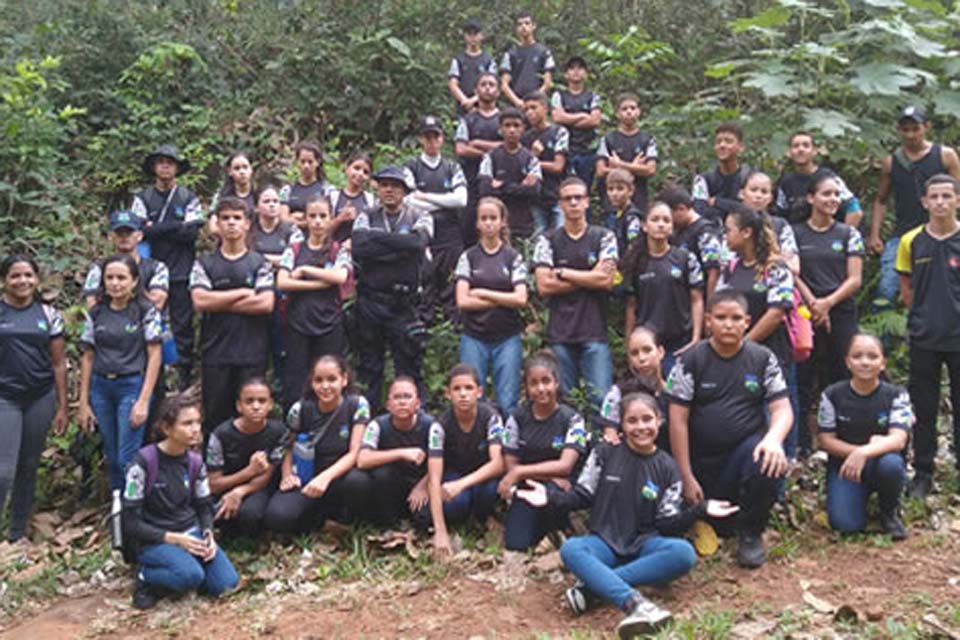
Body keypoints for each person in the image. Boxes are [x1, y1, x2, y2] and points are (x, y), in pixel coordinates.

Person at [516, 392, 738, 637]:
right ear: (621, 424)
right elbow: (582, 495)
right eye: (632, 421)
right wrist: (551, 498)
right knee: (572, 549)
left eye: (647, 419)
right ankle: (635, 604)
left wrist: (701, 510)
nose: (641, 427)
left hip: (644, 545)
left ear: (659, 420)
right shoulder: (604, 453)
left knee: (683, 553)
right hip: (604, 543)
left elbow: (667, 523)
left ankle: (592, 589)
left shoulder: (668, 467)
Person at [666, 290, 793, 568]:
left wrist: (773, 439)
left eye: (736, 318)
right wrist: (685, 475)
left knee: (768, 457)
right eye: (721, 317)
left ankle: (751, 533)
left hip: (743, 456)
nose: (728, 324)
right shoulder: (691, 360)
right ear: (708, 321)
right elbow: (677, 419)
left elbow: (782, 409)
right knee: (713, 522)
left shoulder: (762, 358)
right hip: (700, 462)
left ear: (747, 321)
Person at [121, 392, 238, 610]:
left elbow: (204, 505)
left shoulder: (195, 462)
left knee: (226, 584)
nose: (195, 429)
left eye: (197, 422)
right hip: (154, 539)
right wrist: (174, 539)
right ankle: (145, 577)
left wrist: (208, 534)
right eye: (187, 424)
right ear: (167, 428)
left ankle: (184, 570)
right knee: (190, 576)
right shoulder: (143, 463)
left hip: (190, 531)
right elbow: (130, 523)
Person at [896, 173, 960, 498]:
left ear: (957, 200)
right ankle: (922, 472)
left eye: (947, 196)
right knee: (924, 409)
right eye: (934, 197)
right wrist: (922, 318)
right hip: (924, 338)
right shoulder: (911, 241)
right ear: (924, 202)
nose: (940, 202)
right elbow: (906, 287)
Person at [190, 197, 275, 437]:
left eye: (237, 218)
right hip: (216, 353)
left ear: (247, 223)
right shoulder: (204, 263)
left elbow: (265, 303)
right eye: (225, 218)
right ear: (217, 224)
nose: (231, 223)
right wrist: (242, 293)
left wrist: (219, 300)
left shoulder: (260, 263)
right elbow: (200, 301)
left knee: (252, 418)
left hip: (252, 354)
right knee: (215, 419)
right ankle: (214, 462)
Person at [78, 255, 163, 490]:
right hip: (101, 387)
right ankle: (118, 502)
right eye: (110, 278)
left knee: (128, 454)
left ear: (134, 281)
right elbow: (88, 356)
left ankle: (133, 505)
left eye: (121, 278)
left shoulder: (145, 311)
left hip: (131, 385)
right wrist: (83, 402)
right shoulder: (96, 313)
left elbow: (155, 354)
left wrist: (144, 400)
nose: (115, 283)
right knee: (112, 452)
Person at [793, 175, 864, 456]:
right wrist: (814, 304)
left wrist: (827, 303)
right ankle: (801, 443)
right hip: (804, 312)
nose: (833, 199)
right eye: (826, 194)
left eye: (836, 195)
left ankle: (841, 441)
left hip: (841, 311)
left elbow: (855, 279)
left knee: (841, 373)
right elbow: (791, 273)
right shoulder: (795, 233)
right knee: (803, 376)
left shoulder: (848, 234)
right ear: (811, 198)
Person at [351, 166, 433, 408]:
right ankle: (367, 419)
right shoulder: (366, 215)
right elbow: (359, 246)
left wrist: (377, 241)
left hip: (405, 305)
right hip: (371, 302)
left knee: (409, 367)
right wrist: (401, 247)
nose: (389, 190)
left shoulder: (419, 215)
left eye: (395, 186)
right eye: (384, 185)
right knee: (369, 367)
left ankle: (413, 420)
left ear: (405, 191)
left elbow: (418, 243)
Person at [533, 177, 617, 412]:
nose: (573, 203)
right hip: (560, 333)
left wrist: (563, 273)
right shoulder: (547, 240)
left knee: (601, 401)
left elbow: (606, 281)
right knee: (566, 404)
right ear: (560, 204)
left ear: (587, 202)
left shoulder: (604, 236)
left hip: (595, 331)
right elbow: (544, 286)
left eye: (578, 198)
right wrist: (590, 277)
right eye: (567, 198)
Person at [0, 255, 68, 542]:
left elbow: (58, 363)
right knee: (4, 470)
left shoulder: (49, 315)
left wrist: (63, 407)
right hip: (5, 397)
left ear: (37, 279)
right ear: (4, 280)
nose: (22, 281)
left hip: (40, 397)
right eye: (15, 275)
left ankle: (16, 535)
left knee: (28, 466)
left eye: (28, 275)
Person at [817, 334, 912, 539]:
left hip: (882, 462)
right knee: (846, 525)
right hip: (845, 465)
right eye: (857, 356)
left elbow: (898, 439)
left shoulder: (897, 394)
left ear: (883, 363)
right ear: (847, 362)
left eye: (872, 356)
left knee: (891, 465)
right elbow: (825, 440)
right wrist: (856, 454)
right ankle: (858, 495)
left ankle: (889, 511)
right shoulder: (832, 395)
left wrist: (864, 453)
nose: (865, 362)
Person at [264, 355, 372, 533]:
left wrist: (325, 477)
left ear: (344, 379)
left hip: (340, 475)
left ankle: (344, 520)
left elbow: (355, 452)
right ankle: (316, 517)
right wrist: (287, 475)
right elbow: (287, 446)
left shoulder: (357, 405)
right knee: (278, 517)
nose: (325, 386)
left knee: (358, 481)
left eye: (332, 379)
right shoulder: (300, 409)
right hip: (307, 474)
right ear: (312, 383)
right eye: (319, 380)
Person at [870, 105, 960, 307]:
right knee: (887, 288)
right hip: (903, 234)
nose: (911, 135)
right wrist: (875, 235)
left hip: (944, 233)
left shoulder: (945, 155)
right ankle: (885, 328)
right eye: (905, 129)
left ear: (926, 127)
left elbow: (958, 192)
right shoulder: (891, 162)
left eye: (915, 128)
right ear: (899, 130)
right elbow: (881, 199)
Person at [499, 351, 589, 552]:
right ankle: (537, 528)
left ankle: (562, 528)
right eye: (534, 383)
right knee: (516, 543)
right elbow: (510, 466)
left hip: (559, 487)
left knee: (555, 494)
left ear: (556, 383)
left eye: (546, 381)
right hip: (527, 486)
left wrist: (521, 471)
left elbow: (565, 466)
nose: (541, 388)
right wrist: (535, 474)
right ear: (526, 387)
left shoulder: (572, 419)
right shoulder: (516, 418)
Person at [131, 144, 203, 388]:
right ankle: (153, 377)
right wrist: (176, 226)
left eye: (170, 162)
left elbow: (192, 233)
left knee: (182, 325)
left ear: (177, 168)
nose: (165, 166)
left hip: (181, 270)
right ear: (154, 167)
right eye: (160, 162)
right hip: (149, 272)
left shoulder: (188, 197)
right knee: (150, 321)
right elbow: (139, 231)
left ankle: (184, 376)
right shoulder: (142, 198)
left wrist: (157, 228)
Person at [419, 364, 505, 557]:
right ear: (448, 394)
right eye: (457, 389)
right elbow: (434, 477)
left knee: (490, 492)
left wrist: (462, 484)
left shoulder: (491, 417)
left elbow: (498, 463)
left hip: (483, 474)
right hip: (455, 473)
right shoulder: (439, 426)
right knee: (454, 505)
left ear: (479, 392)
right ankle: (463, 519)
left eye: (469, 388)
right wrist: (440, 531)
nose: (463, 394)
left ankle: (485, 518)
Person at [455, 197, 528, 415]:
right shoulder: (468, 257)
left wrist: (483, 292)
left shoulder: (513, 257)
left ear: (502, 222)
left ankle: (507, 437)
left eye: (493, 218)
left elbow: (521, 299)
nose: (488, 223)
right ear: (477, 223)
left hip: (507, 337)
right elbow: (463, 301)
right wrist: (504, 298)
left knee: (508, 401)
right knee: (473, 400)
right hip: (473, 336)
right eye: (484, 218)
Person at [277, 196, 351, 409]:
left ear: (330, 218)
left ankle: (330, 421)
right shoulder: (294, 249)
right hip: (297, 322)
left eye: (323, 216)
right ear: (306, 219)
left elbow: (340, 277)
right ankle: (294, 422)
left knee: (330, 375)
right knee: (295, 379)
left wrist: (305, 270)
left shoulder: (338, 250)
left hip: (329, 323)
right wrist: (319, 284)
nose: (318, 221)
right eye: (313, 216)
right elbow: (282, 282)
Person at [622, 202, 703, 377]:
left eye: (666, 220)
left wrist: (696, 337)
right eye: (655, 219)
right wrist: (630, 345)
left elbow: (696, 299)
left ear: (672, 227)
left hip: (680, 342)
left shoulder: (685, 258)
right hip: (647, 344)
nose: (661, 224)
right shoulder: (635, 262)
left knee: (677, 389)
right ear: (644, 226)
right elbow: (631, 306)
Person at [405, 116, 468, 322]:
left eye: (436, 136)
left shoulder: (452, 167)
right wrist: (445, 201)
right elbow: (408, 202)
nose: (432, 141)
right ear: (421, 139)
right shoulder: (411, 166)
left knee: (451, 283)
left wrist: (425, 196)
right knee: (425, 282)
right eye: (427, 137)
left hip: (451, 234)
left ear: (442, 138)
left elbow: (461, 200)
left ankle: (452, 328)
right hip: (423, 234)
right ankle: (424, 327)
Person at [718, 204, 794, 374]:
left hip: (770, 356)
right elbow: (718, 303)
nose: (724, 236)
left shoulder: (776, 268)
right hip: (731, 354)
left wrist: (744, 345)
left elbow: (776, 313)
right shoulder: (731, 267)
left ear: (746, 232)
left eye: (728, 230)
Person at [207, 378, 285, 538]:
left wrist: (239, 492)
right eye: (249, 401)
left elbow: (265, 477)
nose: (256, 406)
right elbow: (213, 484)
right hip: (226, 485)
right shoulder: (221, 434)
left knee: (250, 515)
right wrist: (249, 471)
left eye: (262, 401)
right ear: (239, 406)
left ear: (270, 404)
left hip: (257, 488)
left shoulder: (278, 431)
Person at [356, 377, 437, 527]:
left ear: (418, 403)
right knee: (381, 474)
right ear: (388, 405)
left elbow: (443, 462)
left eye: (407, 397)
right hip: (390, 483)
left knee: (424, 520)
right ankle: (388, 523)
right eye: (397, 397)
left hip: (421, 482)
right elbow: (362, 460)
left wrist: (423, 486)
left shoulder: (431, 425)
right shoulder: (377, 425)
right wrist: (401, 453)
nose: (402, 402)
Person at [251, 184, 303, 390]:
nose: (272, 205)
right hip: (254, 293)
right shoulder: (249, 230)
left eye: (276, 201)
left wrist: (262, 258)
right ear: (256, 207)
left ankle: (282, 390)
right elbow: (245, 257)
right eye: (267, 201)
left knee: (282, 345)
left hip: (285, 295)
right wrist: (279, 260)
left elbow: (297, 258)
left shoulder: (290, 229)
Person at [83, 210, 169, 312]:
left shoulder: (157, 268)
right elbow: (91, 304)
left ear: (139, 236)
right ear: (110, 236)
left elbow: (157, 303)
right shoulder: (98, 268)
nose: (124, 237)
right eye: (119, 233)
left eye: (129, 232)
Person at [478, 107, 542, 240]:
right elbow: (485, 189)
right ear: (500, 128)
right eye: (507, 125)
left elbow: (534, 191)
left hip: (524, 225)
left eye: (516, 125)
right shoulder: (490, 157)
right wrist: (520, 187)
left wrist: (502, 186)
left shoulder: (531, 159)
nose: (512, 130)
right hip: (496, 227)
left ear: (523, 128)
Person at [455, 72, 502, 246]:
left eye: (491, 84)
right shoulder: (467, 120)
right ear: (476, 90)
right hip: (471, 181)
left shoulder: (505, 119)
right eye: (483, 84)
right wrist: (492, 150)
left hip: (499, 181)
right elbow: (461, 149)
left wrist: (478, 143)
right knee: (468, 227)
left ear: (498, 91)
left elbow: (511, 146)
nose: (487, 88)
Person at [774, 132, 861, 226]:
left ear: (814, 151)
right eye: (796, 146)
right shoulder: (786, 182)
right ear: (788, 152)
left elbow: (854, 209)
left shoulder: (829, 178)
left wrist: (844, 233)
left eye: (806, 145)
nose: (801, 149)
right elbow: (780, 215)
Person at [597, 326, 667, 444]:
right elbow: (611, 437)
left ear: (661, 352)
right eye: (634, 353)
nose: (641, 358)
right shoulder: (618, 392)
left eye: (647, 350)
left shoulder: (676, 390)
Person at [595, 94, 657, 215]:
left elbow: (650, 170)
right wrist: (635, 167)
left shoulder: (647, 139)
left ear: (639, 111)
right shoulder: (608, 139)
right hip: (612, 203)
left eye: (633, 108)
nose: (629, 112)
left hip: (639, 202)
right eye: (624, 109)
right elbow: (601, 170)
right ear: (617, 113)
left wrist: (619, 165)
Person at [660, 184, 722, 299]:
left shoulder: (705, 232)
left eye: (669, 217)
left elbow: (714, 271)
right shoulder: (678, 231)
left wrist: (710, 304)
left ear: (681, 209)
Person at [550, 56, 601, 193]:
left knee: (585, 190)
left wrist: (568, 119)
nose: (576, 71)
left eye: (580, 68)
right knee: (566, 188)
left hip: (587, 151)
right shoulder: (558, 95)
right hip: (566, 151)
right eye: (572, 68)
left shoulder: (592, 96)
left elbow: (595, 120)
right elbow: (557, 118)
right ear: (566, 74)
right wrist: (582, 116)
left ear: (586, 73)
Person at [522, 91, 569, 234]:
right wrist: (533, 157)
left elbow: (558, 166)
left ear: (545, 109)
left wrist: (535, 161)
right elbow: (522, 169)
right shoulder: (525, 138)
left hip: (557, 194)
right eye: (526, 109)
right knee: (539, 237)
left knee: (560, 235)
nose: (529, 113)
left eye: (533, 107)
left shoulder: (559, 132)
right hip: (536, 198)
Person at [738, 171, 800, 274]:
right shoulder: (732, 224)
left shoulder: (780, 225)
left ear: (770, 198)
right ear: (742, 193)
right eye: (753, 190)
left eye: (764, 192)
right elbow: (724, 263)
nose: (758, 196)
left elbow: (794, 267)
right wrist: (777, 258)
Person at [691, 122, 752, 224]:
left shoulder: (750, 178)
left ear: (741, 147)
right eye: (718, 142)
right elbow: (699, 212)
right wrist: (735, 206)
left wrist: (718, 202)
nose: (722, 145)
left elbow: (752, 211)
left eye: (728, 141)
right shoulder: (703, 179)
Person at [499, 11, 555, 109]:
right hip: (516, 104)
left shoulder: (543, 52)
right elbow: (504, 85)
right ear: (516, 29)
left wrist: (534, 100)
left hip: (537, 105)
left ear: (534, 26)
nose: (523, 27)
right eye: (520, 24)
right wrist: (517, 101)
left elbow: (548, 83)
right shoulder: (510, 54)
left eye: (527, 23)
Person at [448, 19, 498, 115]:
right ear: (465, 36)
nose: (472, 38)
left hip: (484, 108)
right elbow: (453, 84)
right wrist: (465, 101)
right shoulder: (458, 59)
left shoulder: (488, 60)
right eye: (469, 34)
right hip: (462, 108)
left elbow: (493, 84)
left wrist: (474, 100)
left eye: (475, 34)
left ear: (481, 35)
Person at [279, 140, 332, 228]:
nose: (306, 166)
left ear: (317, 162)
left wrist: (298, 218)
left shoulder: (327, 190)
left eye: (310, 162)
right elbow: (282, 219)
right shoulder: (287, 190)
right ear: (297, 162)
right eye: (302, 161)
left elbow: (329, 219)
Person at [329, 151, 375, 244]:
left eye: (365, 172)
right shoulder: (333, 197)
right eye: (356, 168)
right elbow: (321, 231)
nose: (360, 174)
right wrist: (340, 218)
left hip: (360, 249)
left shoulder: (370, 200)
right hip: (334, 249)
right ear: (347, 169)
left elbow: (373, 232)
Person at [208, 151, 256, 229]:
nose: (242, 172)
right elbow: (213, 227)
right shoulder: (221, 196)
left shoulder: (260, 194)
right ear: (230, 171)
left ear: (251, 169)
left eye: (245, 167)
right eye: (237, 168)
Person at [602, 168, 643, 257]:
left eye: (620, 189)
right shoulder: (617, 214)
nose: (614, 193)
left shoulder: (632, 217)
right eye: (610, 189)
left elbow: (634, 246)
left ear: (630, 191)